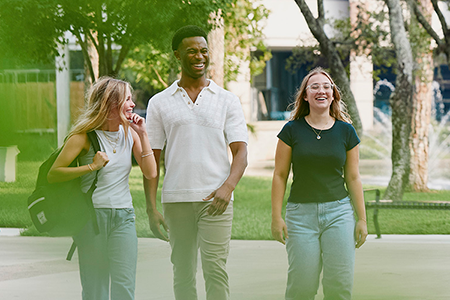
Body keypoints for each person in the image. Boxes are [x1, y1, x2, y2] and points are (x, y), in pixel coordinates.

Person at [145, 25, 248, 300]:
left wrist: (228, 187)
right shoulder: (159, 102)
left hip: (216, 200)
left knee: (215, 270)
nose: (199, 56)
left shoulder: (227, 100)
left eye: (204, 51)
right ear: (178, 55)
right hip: (176, 199)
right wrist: (151, 207)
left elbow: (240, 152)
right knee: (183, 271)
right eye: (192, 51)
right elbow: (151, 159)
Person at [47, 77, 157, 300]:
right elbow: (54, 174)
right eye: (127, 98)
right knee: (95, 289)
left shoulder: (131, 134)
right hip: (92, 219)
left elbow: (151, 172)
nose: (132, 103)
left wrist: (143, 134)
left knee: (124, 287)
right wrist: (91, 166)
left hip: (124, 218)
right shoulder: (83, 137)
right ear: (111, 103)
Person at [271, 67, 368, 300]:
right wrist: (276, 217)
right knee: (301, 287)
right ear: (305, 95)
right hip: (300, 216)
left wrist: (362, 219)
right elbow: (280, 175)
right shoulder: (291, 130)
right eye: (314, 86)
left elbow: (353, 178)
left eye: (326, 86)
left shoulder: (347, 132)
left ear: (333, 94)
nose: (321, 90)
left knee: (339, 285)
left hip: (339, 213)